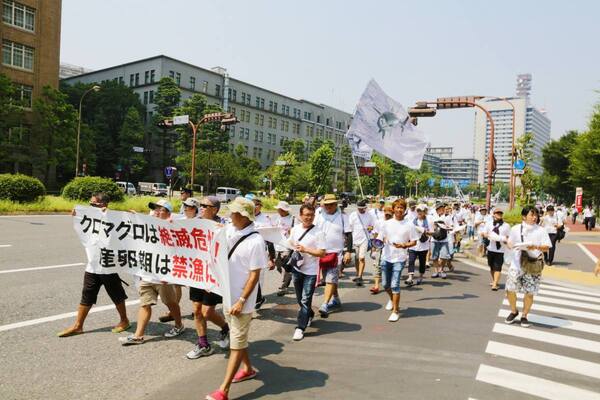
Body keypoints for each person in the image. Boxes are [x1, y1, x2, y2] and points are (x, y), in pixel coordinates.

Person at [205, 197, 267, 400]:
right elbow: (209, 229)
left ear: (243, 216)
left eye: (234, 213)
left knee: (236, 342)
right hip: (227, 295)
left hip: (242, 301)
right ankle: (248, 368)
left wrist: (241, 300)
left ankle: (223, 390)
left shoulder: (256, 241)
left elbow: (254, 275)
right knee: (236, 337)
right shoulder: (231, 229)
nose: (230, 215)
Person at [58, 192, 130, 337]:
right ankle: (78, 325)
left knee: (116, 294)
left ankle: (124, 320)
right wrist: (78, 215)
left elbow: (128, 222)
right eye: (89, 204)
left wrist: (108, 214)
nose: (90, 206)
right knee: (87, 294)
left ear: (103, 204)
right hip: (93, 264)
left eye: (93, 204)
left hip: (108, 264)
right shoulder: (92, 217)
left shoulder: (113, 217)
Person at [120, 199, 185, 345]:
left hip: (163, 274)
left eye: (160, 209)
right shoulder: (148, 225)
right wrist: (133, 217)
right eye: (155, 209)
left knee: (171, 303)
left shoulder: (172, 228)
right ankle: (138, 335)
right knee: (145, 304)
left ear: (168, 214)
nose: (156, 212)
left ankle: (179, 325)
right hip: (147, 272)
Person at [186, 196, 231, 359]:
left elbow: (233, 238)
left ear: (215, 209)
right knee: (197, 309)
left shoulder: (224, 224)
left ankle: (226, 328)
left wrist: (224, 231)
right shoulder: (194, 222)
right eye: (201, 205)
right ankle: (203, 344)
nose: (202, 207)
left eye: (206, 205)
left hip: (214, 275)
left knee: (207, 312)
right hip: (198, 272)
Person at [504, 206, 552, 328]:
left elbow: (547, 247)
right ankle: (514, 311)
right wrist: (508, 244)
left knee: (530, 293)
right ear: (524, 217)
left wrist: (535, 247)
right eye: (532, 215)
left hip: (532, 265)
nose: (534, 217)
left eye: (536, 215)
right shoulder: (515, 229)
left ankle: (524, 315)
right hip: (516, 264)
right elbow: (510, 243)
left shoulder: (541, 230)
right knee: (510, 289)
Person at [288, 204, 326, 341]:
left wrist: (306, 250)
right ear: (300, 216)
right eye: (306, 215)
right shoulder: (295, 229)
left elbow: (322, 252)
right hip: (297, 268)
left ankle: (300, 328)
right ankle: (309, 314)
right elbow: (290, 244)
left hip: (311, 271)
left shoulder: (319, 232)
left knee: (305, 299)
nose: (309, 218)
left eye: (311, 215)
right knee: (300, 299)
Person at [379, 198, 419, 321]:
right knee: (385, 284)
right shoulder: (386, 223)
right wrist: (377, 243)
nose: (399, 210)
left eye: (402, 208)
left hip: (399, 258)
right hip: (386, 256)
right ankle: (392, 299)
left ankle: (396, 311)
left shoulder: (409, 224)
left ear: (404, 209)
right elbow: (380, 238)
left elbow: (414, 241)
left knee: (395, 284)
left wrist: (404, 245)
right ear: (393, 209)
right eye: (397, 207)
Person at [315, 194, 352, 318]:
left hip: (336, 253)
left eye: (331, 204)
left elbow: (348, 234)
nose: (328, 207)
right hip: (321, 252)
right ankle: (335, 299)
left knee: (331, 278)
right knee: (329, 279)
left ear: (336, 204)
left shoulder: (342, 217)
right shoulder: (319, 215)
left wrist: (348, 251)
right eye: (326, 204)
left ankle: (325, 304)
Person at [348, 199, 376, 287]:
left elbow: (372, 226)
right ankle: (358, 274)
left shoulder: (369, 215)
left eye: (362, 208)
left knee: (361, 258)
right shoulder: (353, 215)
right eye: (359, 208)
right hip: (355, 240)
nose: (361, 210)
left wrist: (368, 229)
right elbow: (349, 227)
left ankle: (360, 276)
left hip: (365, 239)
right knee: (356, 258)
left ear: (365, 208)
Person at [481, 208, 510, 291]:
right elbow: (483, 233)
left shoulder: (506, 225)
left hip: (500, 249)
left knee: (498, 267)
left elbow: (509, 237)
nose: (499, 215)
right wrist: (486, 235)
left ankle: (495, 284)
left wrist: (504, 240)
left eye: (500, 213)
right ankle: (494, 280)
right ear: (493, 214)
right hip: (490, 248)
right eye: (497, 213)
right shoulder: (489, 224)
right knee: (491, 266)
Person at [272, 201, 296, 296]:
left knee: (286, 266)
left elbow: (297, 232)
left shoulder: (293, 219)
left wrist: (292, 232)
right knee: (278, 265)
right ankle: (288, 276)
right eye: (278, 209)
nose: (278, 210)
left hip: (287, 246)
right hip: (277, 245)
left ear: (284, 210)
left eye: (280, 209)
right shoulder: (277, 218)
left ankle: (284, 286)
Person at [369, 205, 394, 294]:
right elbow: (375, 234)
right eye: (386, 214)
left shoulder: (395, 223)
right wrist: (373, 247)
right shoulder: (378, 222)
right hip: (380, 246)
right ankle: (376, 286)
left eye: (389, 214)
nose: (387, 216)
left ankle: (389, 282)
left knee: (388, 265)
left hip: (391, 248)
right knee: (377, 265)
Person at [406, 204, 432, 286]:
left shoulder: (429, 221)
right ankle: (410, 277)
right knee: (411, 261)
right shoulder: (412, 221)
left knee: (422, 262)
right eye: (418, 211)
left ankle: (420, 277)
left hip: (423, 245)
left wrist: (425, 232)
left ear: (425, 212)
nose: (420, 212)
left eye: (422, 211)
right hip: (413, 245)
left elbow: (432, 232)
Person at [430, 203, 451, 279]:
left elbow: (451, 226)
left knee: (444, 256)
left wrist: (447, 227)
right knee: (434, 256)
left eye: (442, 208)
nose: (441, 210)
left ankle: (441, 270)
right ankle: (436, 271)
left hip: (444, 239)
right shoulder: (432, 217)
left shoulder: (447, 217)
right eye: (439, 208)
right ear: (436, 209)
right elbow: (430, 227)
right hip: (434, 239)